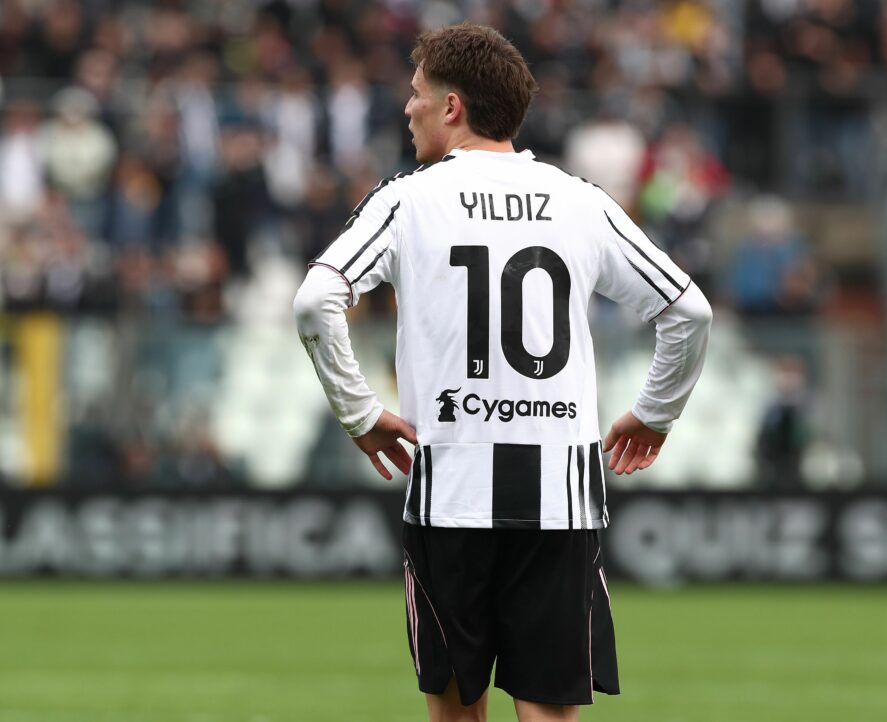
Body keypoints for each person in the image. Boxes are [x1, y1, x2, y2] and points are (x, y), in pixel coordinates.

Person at [293, 23, 712, 722]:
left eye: (417, 92)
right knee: (547, 712)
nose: (408, 107)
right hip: (559, 495)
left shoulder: (406, 199)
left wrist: (359, 412)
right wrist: (655, 412)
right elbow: (688, 311)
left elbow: (315, 300)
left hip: (450, 489)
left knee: (457, 711)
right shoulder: (580, 199)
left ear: (452, 106)